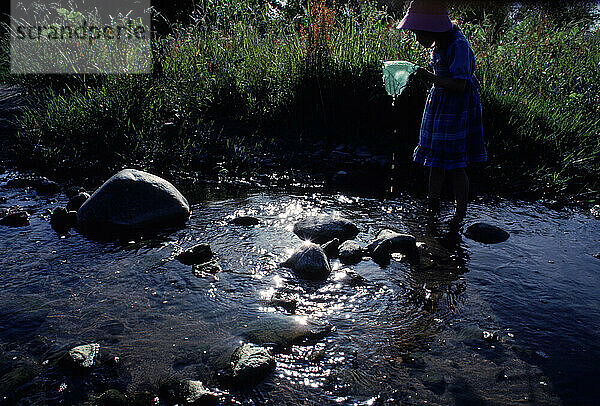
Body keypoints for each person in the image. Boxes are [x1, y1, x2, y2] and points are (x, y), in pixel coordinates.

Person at [397, 0, 487, 230]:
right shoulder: (438, 43)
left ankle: (460, 214)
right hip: (440, 104)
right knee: (435, 159)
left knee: (456, 164)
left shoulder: (458, 46)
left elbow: (460, 85)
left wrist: (427, 76)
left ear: (432, 27)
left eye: (417, 32)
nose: (415, 37)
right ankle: (432, 204)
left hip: (456, 109)